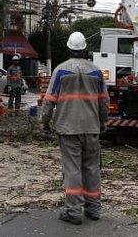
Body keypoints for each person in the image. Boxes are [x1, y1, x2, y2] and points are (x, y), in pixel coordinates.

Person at [41, 31, 109, 225]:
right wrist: (103, 122)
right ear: (84, 48)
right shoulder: (96, 71)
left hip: (68, 128)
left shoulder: (61, 70)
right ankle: (93, 208)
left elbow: (49, 101)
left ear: (69, 48)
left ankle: (73, 212)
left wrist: (44, 123)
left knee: (72, 170)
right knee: (92, 168)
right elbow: (104, 101)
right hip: (91, 128)